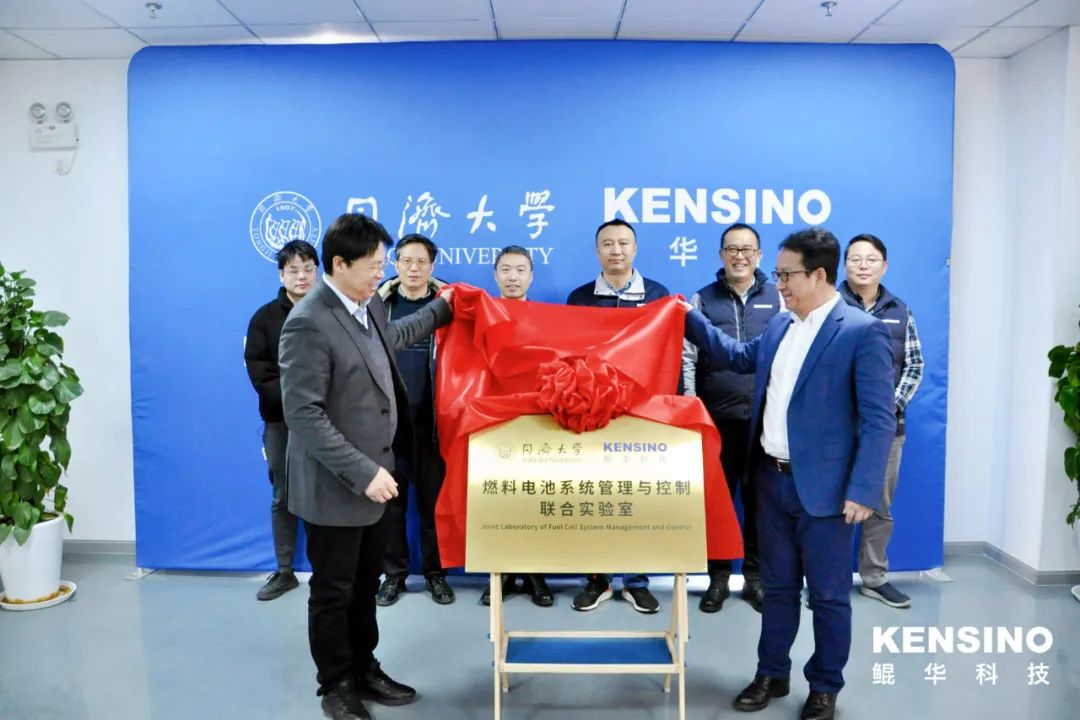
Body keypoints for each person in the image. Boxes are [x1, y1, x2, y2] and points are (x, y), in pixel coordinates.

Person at [684, 227, 895, 720]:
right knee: (776, 589)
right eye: (776, 274)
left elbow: (879, 419)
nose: (777, 283)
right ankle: (771, 673)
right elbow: (738, 357)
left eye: (785, 275)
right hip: (771, 481)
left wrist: (863, 490)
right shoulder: (781, 325)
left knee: (828, 597)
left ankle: (824, 686)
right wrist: (688, 318)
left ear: (819, 275)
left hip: (828, 492)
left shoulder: (860, 331)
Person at [279, 213, 453, 720]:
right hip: (338, 485)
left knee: (363, 585)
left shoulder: (368, 303)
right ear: (340, 263)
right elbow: (304, 415)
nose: (383, 273)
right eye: (375, 265)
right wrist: (363, 473)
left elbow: (391, 339)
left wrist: (442, 309)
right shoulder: (309, 322)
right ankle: (335, 684)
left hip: (379, 477)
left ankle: (364, 667)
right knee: (333, 591)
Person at [566, 219, 669, 615]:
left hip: (641, 411)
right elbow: (570, 355)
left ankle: (637, 581)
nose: (616, 250)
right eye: (607, 244)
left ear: (635, 249)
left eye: (623, 243)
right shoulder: (580, 298)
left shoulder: (657, 295)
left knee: (637, 496)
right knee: (594, 496)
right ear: (597, 251)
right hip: (593, 412)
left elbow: (667, 352)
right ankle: (598, 579)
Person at [682, 223, 780, 613]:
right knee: (717, 505)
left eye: (747, 249)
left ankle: (754, 579)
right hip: (716, 419)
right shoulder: (702, 300)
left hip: (764, 422)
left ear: (759, 255)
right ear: (721, 254)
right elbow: (687, 357)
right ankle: (718, 579)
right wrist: (692, 405)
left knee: (761, 504)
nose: (740, 256)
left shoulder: (778, 298)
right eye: (732, 249)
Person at [839, 234, 924, 609]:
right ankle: (830, 580)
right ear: (844, 264)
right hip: (838, 428)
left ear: (884, 266)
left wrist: (886, 409)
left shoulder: (901, 310)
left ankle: (874, 578)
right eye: (855, 258)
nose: (862, 265)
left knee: (879, 505)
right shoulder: (828, 305)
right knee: (832, 506)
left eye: (871, 259)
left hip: (888, 429)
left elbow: (914, 366)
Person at [374, 234, 454, 606]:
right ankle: (394, 576)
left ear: (431, 266)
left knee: (433, 507)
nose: (414, 268)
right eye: (406, 260)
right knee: (391, 507)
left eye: (421, 261)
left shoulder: (448, 306)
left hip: (434, 426)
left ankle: (436, 575)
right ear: (395, 264)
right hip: (389, 429)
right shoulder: (379, 305)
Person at [243, 239, 318, 601]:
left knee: (325, 496)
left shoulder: (333, 312)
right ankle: (285, 570)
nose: (301, 276)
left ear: (318, 272)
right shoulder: (265, 318)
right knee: (283, 495)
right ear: (281, 275)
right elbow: (260, 374)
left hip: (327, 422)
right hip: (281, 422)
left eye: (308, 269)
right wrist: (299, 404)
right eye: (293, 270)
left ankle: (327, 570)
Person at [479, 245, 554, 608]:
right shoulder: (483, 317)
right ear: (495, 275)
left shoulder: (547, 319)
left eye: (520, 270)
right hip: (494, 420)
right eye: (506, 270)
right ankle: (501, 575)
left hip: (537, 420)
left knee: (535, 499)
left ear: (531, 276)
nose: (513, 277)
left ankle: (536, 574)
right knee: (498, 499)